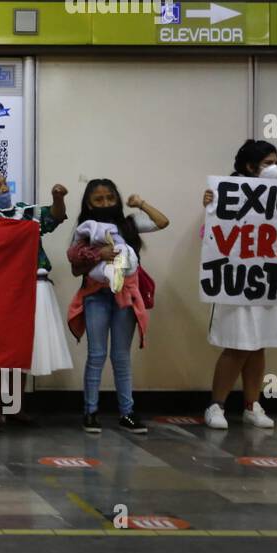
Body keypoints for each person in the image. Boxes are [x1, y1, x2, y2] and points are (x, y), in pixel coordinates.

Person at [201, 140, 277, 430]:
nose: (274, 168)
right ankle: (216, 405)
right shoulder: (226, 192)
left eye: (275, 162)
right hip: (238, 282)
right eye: (268, 163)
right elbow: (211, 236)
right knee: (237, 344)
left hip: (268, 282)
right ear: (249, 166)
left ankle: (251, 404)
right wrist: (209, 206)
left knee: (259, 345)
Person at [0, 168, 70, 430]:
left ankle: (15, 408)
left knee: (24, 349)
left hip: (34, 286)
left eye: (3, 184)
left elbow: (55, 217)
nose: (3, 190)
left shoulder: (25, 213)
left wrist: (58, 198)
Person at [65, 180, 169, 434]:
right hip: (95, 296)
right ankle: (90, 412)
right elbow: (75, 266)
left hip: (126, 296)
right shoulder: (85, 230)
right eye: (98, 199)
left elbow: (162, 222)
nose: (105, 204)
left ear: (117, 200)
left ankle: (127, 413)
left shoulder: (128, 224)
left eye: (110, 198)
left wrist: (140, 203)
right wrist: (97, 256)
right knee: (97, 355)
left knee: (121, 357)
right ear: (88, 204)